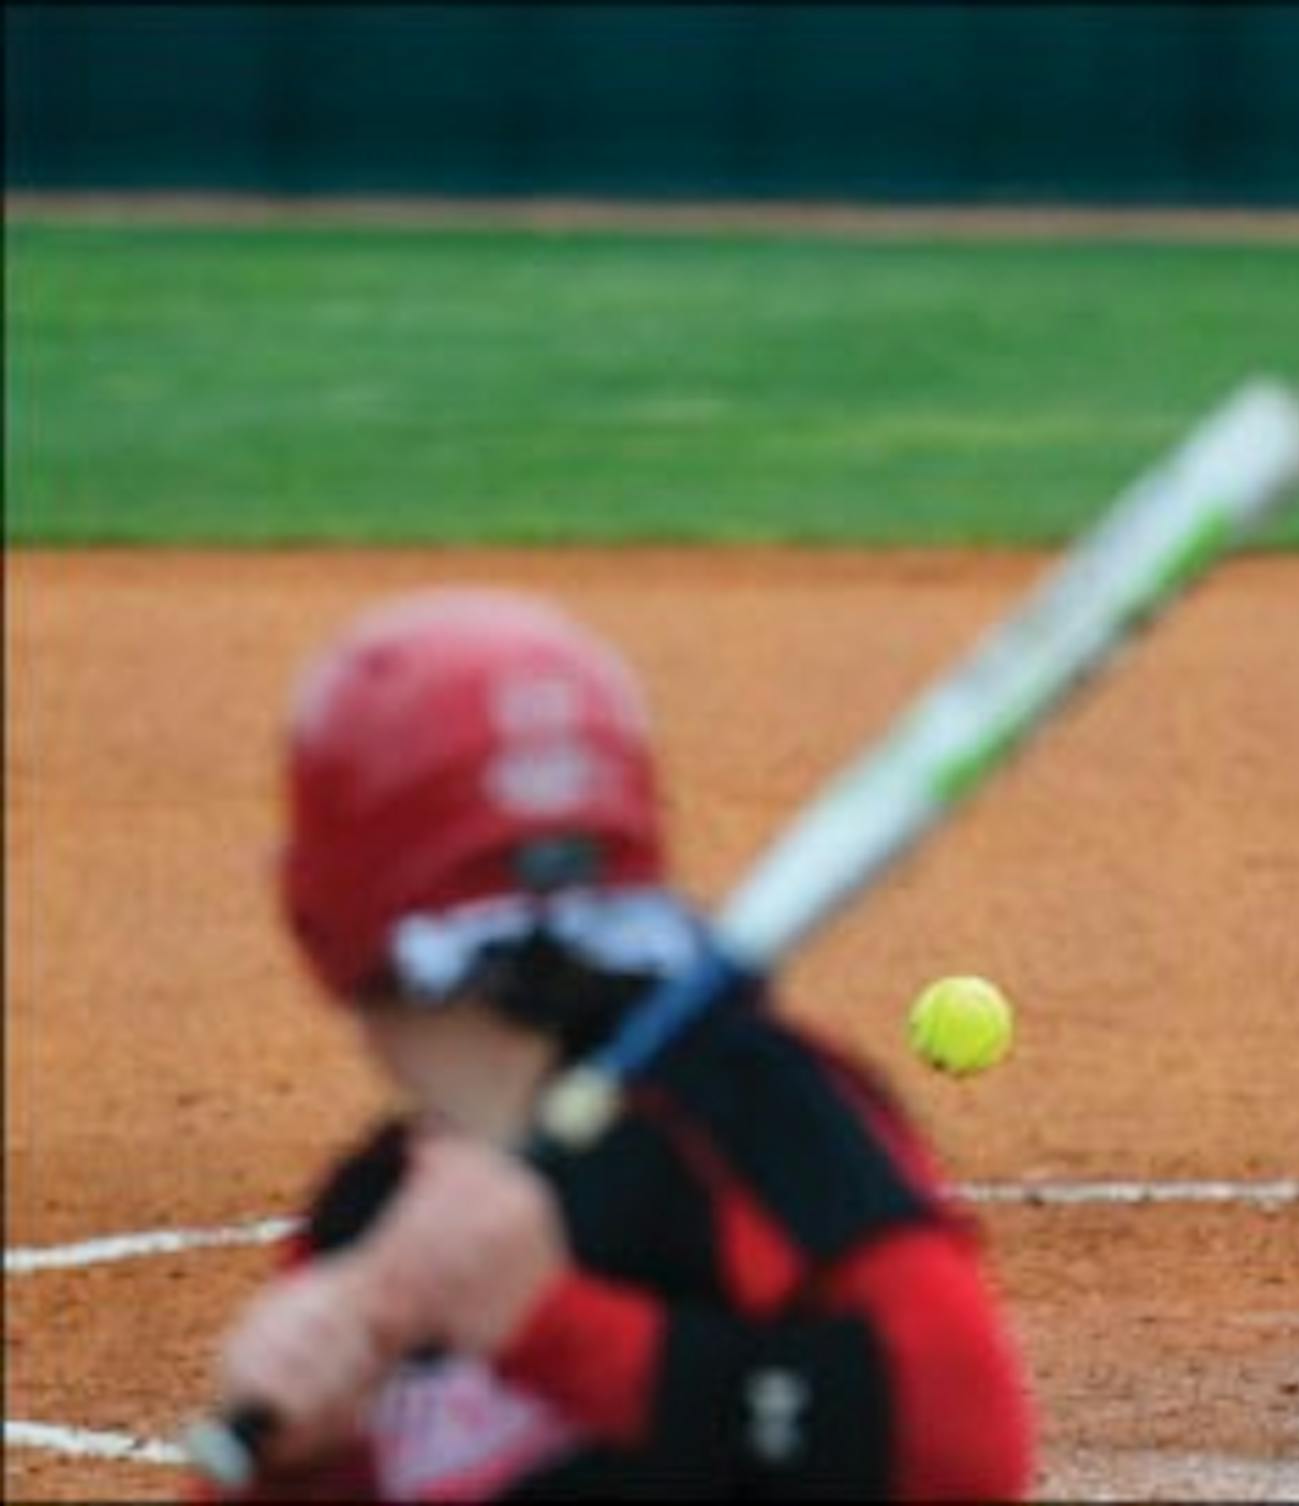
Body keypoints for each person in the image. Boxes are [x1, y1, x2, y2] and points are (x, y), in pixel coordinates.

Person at [199, 588, 1036, 1500]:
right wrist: (286, 1467)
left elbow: (967, 1445)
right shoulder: (377, 1220)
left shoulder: (756, 1111)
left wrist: (551, 1329)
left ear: (318, 910)